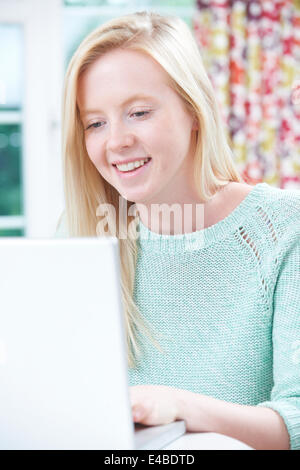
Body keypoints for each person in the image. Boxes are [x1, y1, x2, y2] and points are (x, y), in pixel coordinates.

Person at [55, 11, 300, 450]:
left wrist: (181, 406)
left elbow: (295, 423)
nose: (116, 142)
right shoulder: (79, 235)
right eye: (95, 123)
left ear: (193, 109)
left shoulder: (282, 230)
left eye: (138, 112)